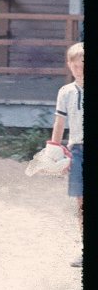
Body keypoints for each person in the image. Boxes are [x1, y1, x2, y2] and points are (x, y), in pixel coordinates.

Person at [50, 42, 84, 268]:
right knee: (81, 203)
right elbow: (60, 122)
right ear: (70, 65)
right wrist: (54, 148)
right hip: (78, 150)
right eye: (78, 65)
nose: (82, 68)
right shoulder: (66, 92)